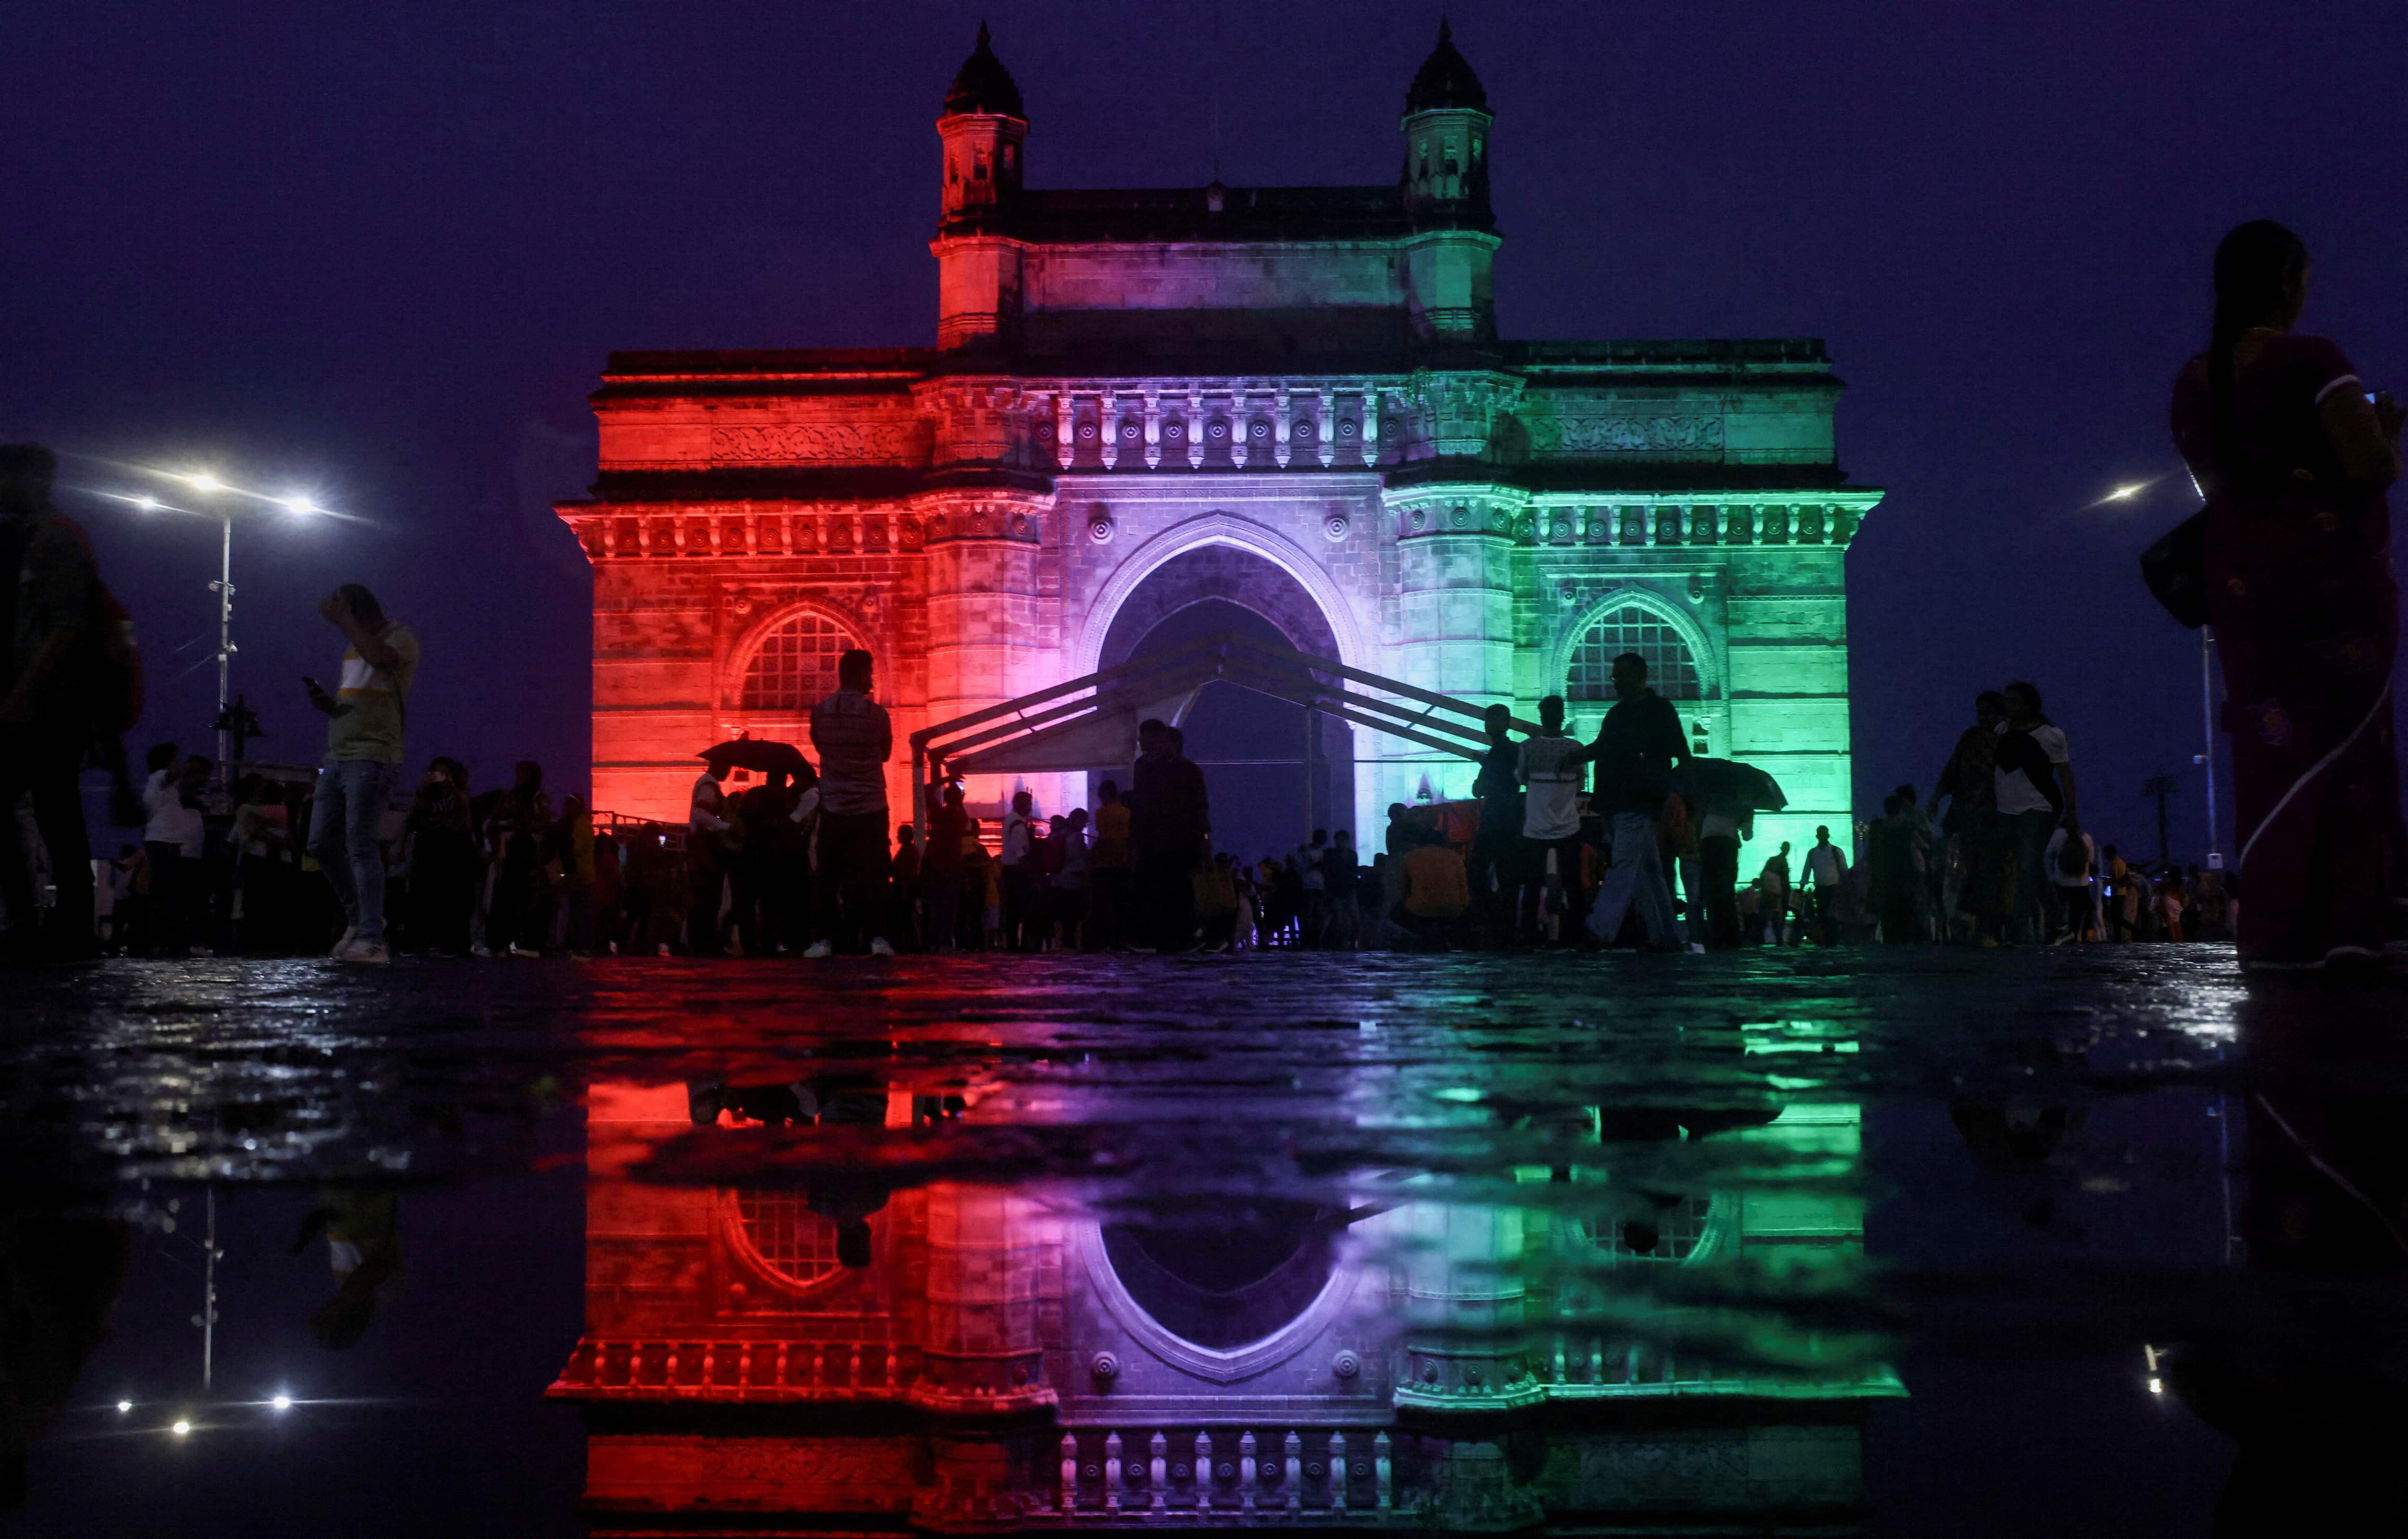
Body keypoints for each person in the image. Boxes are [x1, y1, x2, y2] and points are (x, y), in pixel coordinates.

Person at [2171, 219, 2404, 971]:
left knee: (2273, 744)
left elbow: (2219, 490)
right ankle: (2347, 929)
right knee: (2348, 746)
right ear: (2287, 282)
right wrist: (2389, 435)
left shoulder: (2195, 382)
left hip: (2244, 589)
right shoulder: (2313, 361)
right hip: (2327, 586)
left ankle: (2277, 931)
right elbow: (2369, 468)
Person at [0, 444, 108, 961]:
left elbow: (67, 627)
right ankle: (59, 928)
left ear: (32, 478)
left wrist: (21, 694)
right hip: (45, 704)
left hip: (47, 706)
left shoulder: (56, 539)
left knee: (56, 817)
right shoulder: (33, 539)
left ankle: (45, 927)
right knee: (57, 816)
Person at [301, 583, 419, 965]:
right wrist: (330, 707)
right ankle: (362, 918)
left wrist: (348, 623)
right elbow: (362, 692)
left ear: (357, 609)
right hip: (337, 755)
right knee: (320, 843)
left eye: (343, 609)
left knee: (361, 843)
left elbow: (382, 659)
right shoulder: (355, 645)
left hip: (373, 755)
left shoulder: (400, 638)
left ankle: (372, 939)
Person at [1585, 654, 1690, 949]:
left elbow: (1681, 751)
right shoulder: (1617, 714)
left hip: (1639, 799)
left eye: (1620, 675)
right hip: (1617, 801)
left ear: (1640, 676)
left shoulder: (1659, 711)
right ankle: (1666, 933)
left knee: (1625, 864)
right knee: (1648, 871)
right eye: (1614, 675)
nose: (1614, 681)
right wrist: (1577, 756)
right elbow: (1601, 747)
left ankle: (1599, 927)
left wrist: (1680, 793)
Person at [806, 649, 896, 958]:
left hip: (833, 806)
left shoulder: (820, 713)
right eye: (869, 673)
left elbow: (819, 745)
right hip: (871, 806)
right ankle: (876, 938)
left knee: (829, 876)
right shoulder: (878, 715)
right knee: (873, 875)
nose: (871, 678)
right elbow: (885, 753)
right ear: (859, 676)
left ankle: (824, 939)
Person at [1994, 680, 2074, 945]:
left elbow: (2065, 775)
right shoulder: (2002, 730)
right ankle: (2060, 922)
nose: (2008, 705)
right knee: (2030, 866)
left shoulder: (2050, 735)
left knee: (2027, 864)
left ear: (2029, 704)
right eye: (2006, 700)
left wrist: (2072, 812)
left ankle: (2017, 930)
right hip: (2008, 808)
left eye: (2015, 700)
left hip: (2040, 807)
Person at [1931, 691, 2010, 942]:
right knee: (1968, 872)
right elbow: (1953, 769)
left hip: (1995, 817)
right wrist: (1936, 798)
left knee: (1992, 874)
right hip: (1967, 815)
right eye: (1980, 713)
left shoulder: (2009, 741)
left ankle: (1990, 929)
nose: (1983, 718)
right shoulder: (1971, 738)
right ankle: (1971, 929)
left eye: (1988, 713)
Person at [1515, 695, 1589, 942]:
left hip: (1535, 826)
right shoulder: (1576, 748)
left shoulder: (1527, 747)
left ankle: (1528, 937)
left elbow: (1521, 778)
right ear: (1562, 718)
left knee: (1533, 885)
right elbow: (1580, 783)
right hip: (1569, 823)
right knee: (1574, 883)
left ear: (1541, 718)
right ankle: (1578, 935)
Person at [1131, 718, 1209, 952]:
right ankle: (1175, 938)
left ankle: (1167, 938)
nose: (1139, 740)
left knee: (1167, 888)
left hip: (1166, 838)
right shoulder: (1171, 767)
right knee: (1171, 888)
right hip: (1172, 838)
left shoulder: (1150, 767)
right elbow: (1199, 808)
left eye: (1143, 736)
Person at [404, 759, 476, 955]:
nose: (440, 777)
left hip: (452, 844)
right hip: (429, 842)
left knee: (451, 894)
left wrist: (452, 787)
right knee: (422, 892)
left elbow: (467, 815)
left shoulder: (459, 794)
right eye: (436, 773)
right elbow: (414, 816)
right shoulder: (427, 794)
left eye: (444, 773)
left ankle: (451, 943)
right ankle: (419, 941)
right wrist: (422, 788)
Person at [139, 742, 205, 956]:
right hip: (164, 842)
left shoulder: (161, 785)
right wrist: (189, 766)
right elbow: (171, 776)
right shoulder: (160, 777)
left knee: (165, 892)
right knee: (167, 893)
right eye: (176, 759)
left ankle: (163, 941)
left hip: (165, 842)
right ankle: (165, 942)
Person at [1469, 703, 1524, 944]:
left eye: (1491, 720)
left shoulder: (1497, 754)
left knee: (1480, 873)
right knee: (1508, 875)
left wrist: (1485, 771)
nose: (1489, 725)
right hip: (1510, 820)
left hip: (1495, 821)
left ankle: (1497, 922)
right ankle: (1508, 928)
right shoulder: (1514, 751)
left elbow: (1479, 789)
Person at [1393, 831, 1472, 947]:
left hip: (1420, 908)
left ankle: (1423, 937)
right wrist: (1465, 905)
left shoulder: (1411, 856)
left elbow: (1404, 887)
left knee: (1395, 914)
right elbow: (1463, 885)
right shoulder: (1454, 857)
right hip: (1453, 908)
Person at [923, 778, 968, 953]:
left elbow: (928, 789)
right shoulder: (958, 815)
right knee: (948, 907)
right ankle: (943, 942)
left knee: (938, 906)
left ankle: (938, 942)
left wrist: (947, 781)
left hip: (939, 864)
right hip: (949, 865)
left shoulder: (940, 813)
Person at [1089, 779, 1131, 950]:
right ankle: (1119, 940)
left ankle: (1102, 941)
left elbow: (1103, 838)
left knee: (1103, 905)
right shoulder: (1127, 813)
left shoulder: (1102, 813)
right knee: (1120, 905)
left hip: (1104, 863)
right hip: (1123, 861)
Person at [2043, 820, 2097, 943]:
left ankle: (2055, 936)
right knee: (2077, 911)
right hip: (2081, 882)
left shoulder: (2058, 835)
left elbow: (2049, 854)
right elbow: (2090, 859)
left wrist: (2050, 875)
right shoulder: (2086, 837)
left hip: (2061, 879)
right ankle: (2073, 935)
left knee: (2059, 909)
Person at [1000, 789, 1038, 951]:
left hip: (1009, 870)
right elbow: (1020, 851)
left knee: (1012, 910)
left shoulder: (1010, 820)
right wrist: (1031, 873)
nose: (1029, 808)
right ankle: (1020, 945)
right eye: (1027, 804)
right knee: (1022, 909)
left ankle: (1013, 943)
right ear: (1019, 805)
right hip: (1017, 871)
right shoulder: (1018, 825)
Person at [1802, 824, 1849, 946]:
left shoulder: (1835, 851)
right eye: (1821, 834)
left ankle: (1831, 941)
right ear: (1817, 836)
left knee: (1832, 917)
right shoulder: (1814, 853)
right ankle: (1827, 941)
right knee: (1824, 916)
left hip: (1834, 889)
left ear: (1828, 835)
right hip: (1821, 889)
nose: (1823, 837)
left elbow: (1844, 871)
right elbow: (1807, 870)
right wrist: (1802, 886)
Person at [1050, 808, 1091, 949]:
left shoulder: (1057, 833)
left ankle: (1059, 943)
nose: (1084, 826)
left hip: (1056, 879)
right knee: (1072, 915)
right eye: (1084, 822)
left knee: (1061, 915)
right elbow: (1077, 859)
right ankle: (1070, 943)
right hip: (1072, 880)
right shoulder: (1077, 836)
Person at [1322, 828, 1361, 949]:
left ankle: (1349, 942)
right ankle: (1341, 942)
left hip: (1347, 889)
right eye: (1340, 840)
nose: (1341, 842)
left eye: (1343, 840)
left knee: (1353, 918)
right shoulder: (1333, 854)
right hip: (1337, 890)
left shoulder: (1346, 854)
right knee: (1341, 917)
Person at [1294, 828, 1330, 946]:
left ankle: (1314, 942)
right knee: (1308, 916)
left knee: (1317, 916)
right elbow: (1301, 868)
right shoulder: (1305, 851)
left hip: (1318, 886)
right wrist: (1314, 866)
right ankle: (1307, 942)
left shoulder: (1321, 852)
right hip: (1308, 886)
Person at [1757, 842, 1793, 945]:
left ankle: (1761, 939)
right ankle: (1778, 939)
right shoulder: (1780, 861)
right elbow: (1785, 881)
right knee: (1776, 917)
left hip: (1772, 892)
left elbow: (1763, 875)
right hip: (1778, 893)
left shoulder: (1773, 860)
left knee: (1768, 916)